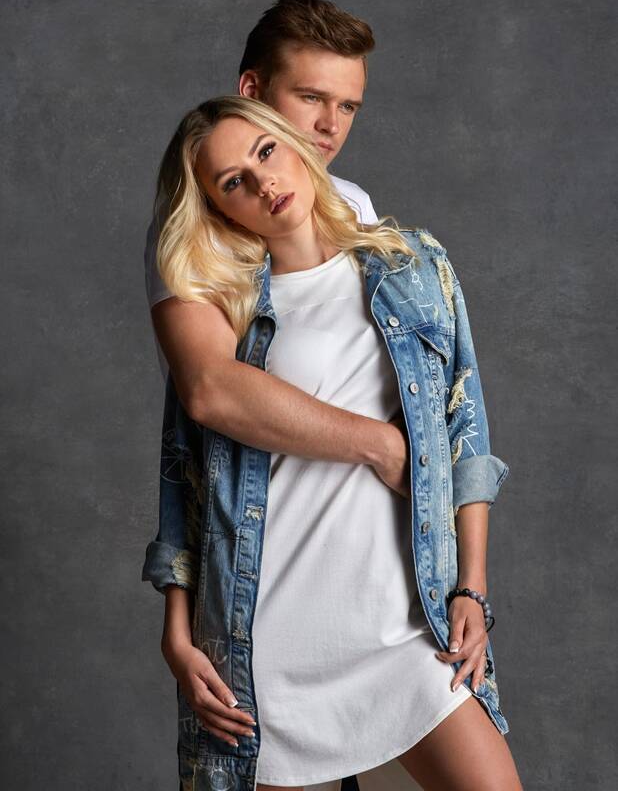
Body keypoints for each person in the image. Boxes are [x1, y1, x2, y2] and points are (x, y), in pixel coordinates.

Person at [141, 94, 523, 791]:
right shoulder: (228, 312)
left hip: (405, 623)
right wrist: (178, 626)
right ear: (219, 208)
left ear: (291, 143)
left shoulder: (413, 264)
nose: (264, 183)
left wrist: (472, 586)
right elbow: (185, 476)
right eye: (234, 182)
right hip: (270, 640)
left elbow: (465, 429)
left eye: (265, 152)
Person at [145, 0, 378, 380]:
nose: (332, 126)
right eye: (311, 97)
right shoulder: (198, 220)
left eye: (347, 106)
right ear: (253, 91)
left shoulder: (353, 203)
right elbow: (211, 387)